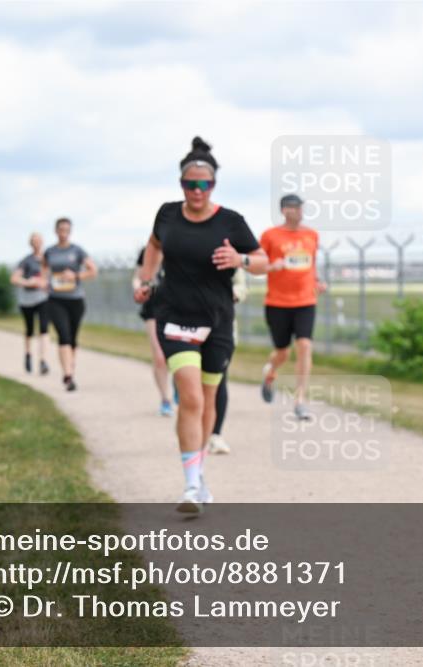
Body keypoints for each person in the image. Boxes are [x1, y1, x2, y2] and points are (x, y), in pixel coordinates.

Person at [135, 136, 268, 513]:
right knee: (190, 397)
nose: (197, 190)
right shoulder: (166, 214)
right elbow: (154, 245)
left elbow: (263, 262)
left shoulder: (231, 221)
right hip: (175, 316)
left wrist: (240, 260)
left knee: (208, 399)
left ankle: (200, 474)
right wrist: (146, 281)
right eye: (190, 184)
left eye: (204, 184)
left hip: (218, 321)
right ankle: (191, 487)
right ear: (181, 185)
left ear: (213, 185)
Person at [258, 194, 327, 420]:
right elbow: (257, 266)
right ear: (283, 211)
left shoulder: (311, 235)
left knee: (305, 345)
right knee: (283, 352)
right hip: (277, 302)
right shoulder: (270, 236)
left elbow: (311, 264)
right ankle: (271, 371)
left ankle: (300, 400)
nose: (296, 211)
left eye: (299, 207)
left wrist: (316, 282)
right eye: (291, 208)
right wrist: (271, 266)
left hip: (305, 300)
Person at [42, 218, 97, 391]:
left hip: (75, 299)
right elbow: (44, 272)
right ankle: (67, 375)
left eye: (67, 229)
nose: (63, 232)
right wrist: (45, 283)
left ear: (70, 231)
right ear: (56, 231)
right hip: (56, 299)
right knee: (63, 336)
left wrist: (76, 275)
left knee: (72, 338)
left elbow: (93, 270)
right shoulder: (50, 252)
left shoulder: (77, 250)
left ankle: (70, 368)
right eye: (61, 229)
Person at [206, 267, 248, 455]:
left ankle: (215, 434)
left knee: (219, 381)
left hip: (223, 326)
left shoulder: (229, 251)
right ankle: (196, 432)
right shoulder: (183, 245)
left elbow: (241, 285)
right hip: (189, 326)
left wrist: (231, 294)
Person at [133, 244, 174, 416]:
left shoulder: (182, 245)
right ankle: (165, 399)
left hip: (179, 309)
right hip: (153, 308)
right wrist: (138, 288)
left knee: (179, 356)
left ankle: (181, 386)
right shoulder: (149, 250)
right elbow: (137, 276)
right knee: (159, 357)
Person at [10, 233, 51, 375]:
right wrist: (29, 282)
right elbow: (14, 279)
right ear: (31, 244)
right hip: (27, 300)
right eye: (34, 241)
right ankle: (28, 354)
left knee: (44, 328)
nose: (37, 243)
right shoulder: (26, 261)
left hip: (43, 298)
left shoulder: (48, 260)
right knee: (30, 329)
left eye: (39, 241)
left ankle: (43, 360)